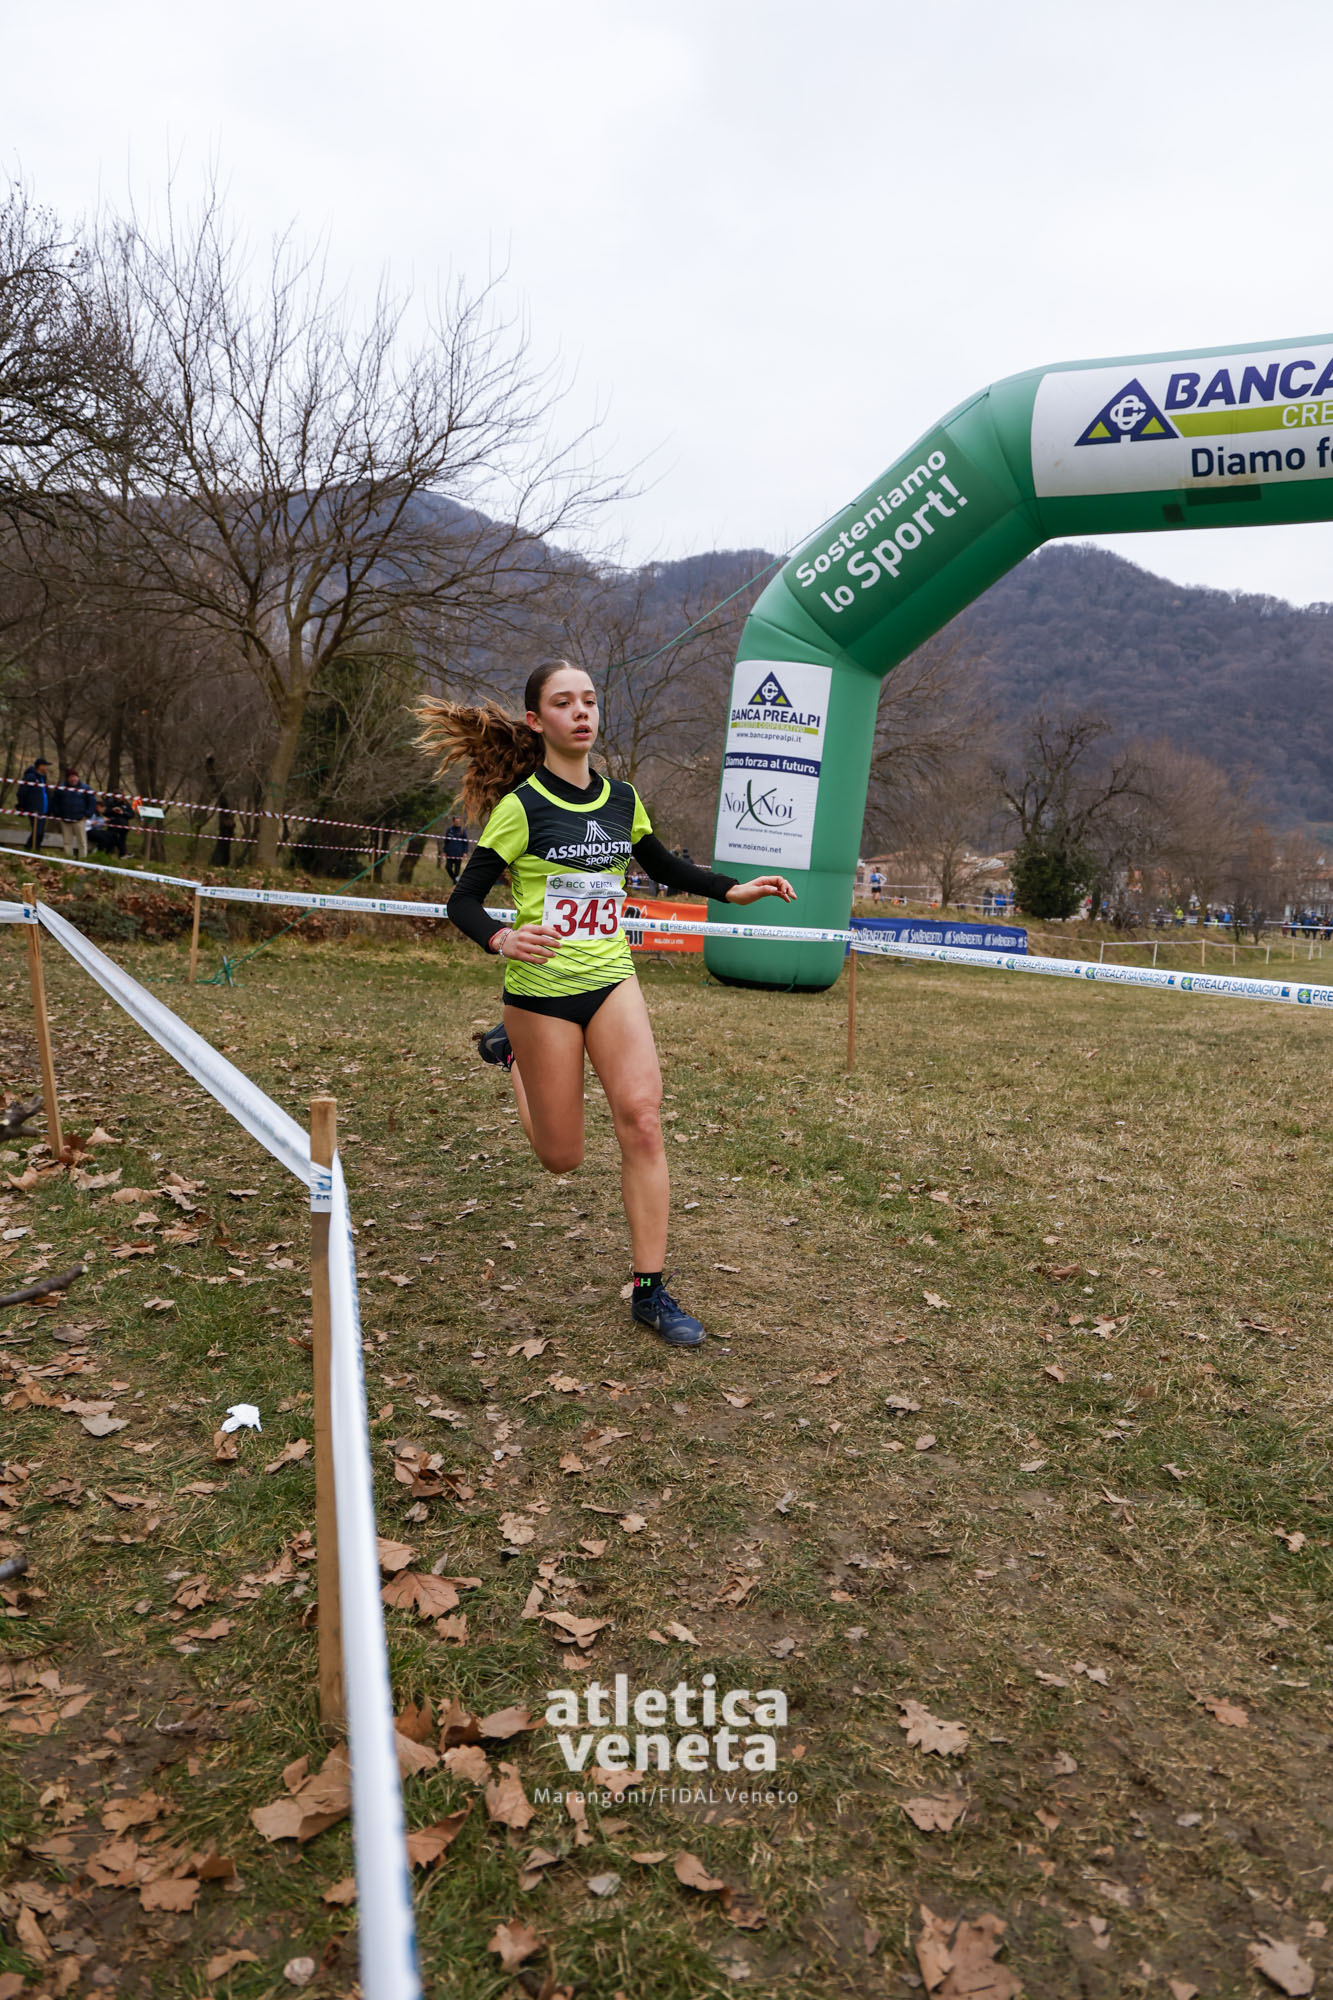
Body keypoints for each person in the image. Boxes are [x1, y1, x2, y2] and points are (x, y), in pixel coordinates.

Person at [420, 661, 795, 1349]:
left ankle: (649, 1291)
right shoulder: (521, 808)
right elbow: (462, 900)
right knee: (561, 1158)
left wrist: (731, 889)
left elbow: (663, 866)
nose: (581, 712)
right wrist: (502, 937)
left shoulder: (622, 799)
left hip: (611, 980)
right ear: (537, 721)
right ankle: (514, 1054)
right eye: (563, 702)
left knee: (643, 1120)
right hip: (541, 995)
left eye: (589, 701)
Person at [53, 767, 95, 858]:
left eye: (74, 777)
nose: (73, 779)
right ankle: (68, 858)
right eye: (70, 777)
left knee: (82, 842)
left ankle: (83, 859)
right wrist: (57, 814)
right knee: (67, 841)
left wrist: (87, 814)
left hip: (80, 819)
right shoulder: (61, 788)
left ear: (77, 777)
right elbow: (55, 802)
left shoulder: (86, 788)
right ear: (67, 778)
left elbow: (92, 803)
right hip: (65, 819)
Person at [16, 759, 49, 851]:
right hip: (34, 808)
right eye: (45, 765)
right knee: (37, 831)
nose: (47, 768)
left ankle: (33, 848)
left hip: (43, 809)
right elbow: (21, 792)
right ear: (40, 766)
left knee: (40, 832)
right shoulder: (30, 776)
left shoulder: (43, 778)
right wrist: (22, 805)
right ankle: (30, 848)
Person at [442, 817, 469, 884]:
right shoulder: (449, 830)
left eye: (458, 821)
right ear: (453, 821)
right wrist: (444, 851)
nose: (457, 823)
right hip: (450, 853)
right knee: (448, 867)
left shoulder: (462, 830)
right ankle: (455, 879)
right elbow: (446, 841)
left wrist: (465, 852)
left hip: (458, 853)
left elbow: (465, 843)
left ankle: (455, 883)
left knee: (457, 870)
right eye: (456, 821)